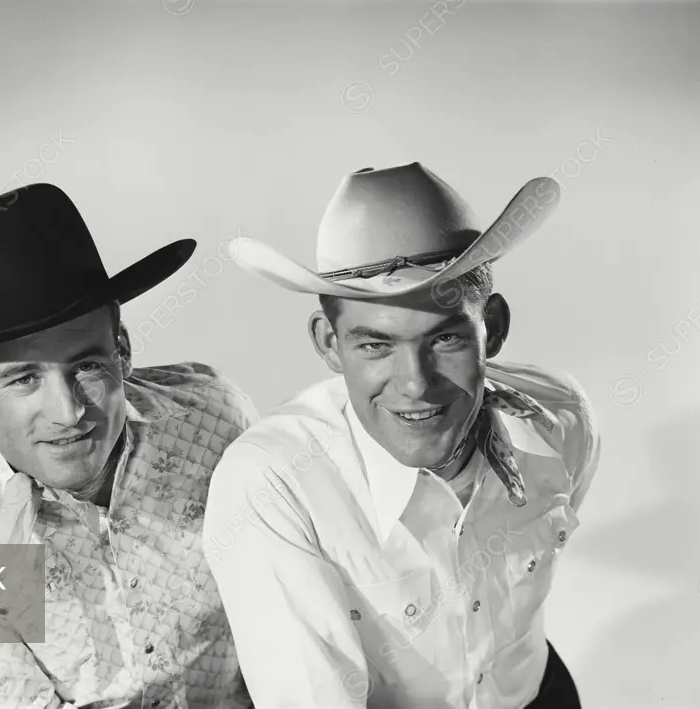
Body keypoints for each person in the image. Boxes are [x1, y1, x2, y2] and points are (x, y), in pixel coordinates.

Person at [202, 163, 601, 709]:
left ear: (496, 327)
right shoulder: (273, 484)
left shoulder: (559, 418)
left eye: (446, 341)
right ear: (328, 343)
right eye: (375, 346)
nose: (416, 385)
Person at [0, 183, 259, 709]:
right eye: (24, 378)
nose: (69, 412)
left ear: (122, 351)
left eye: (88, 365)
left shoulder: (213, 420)